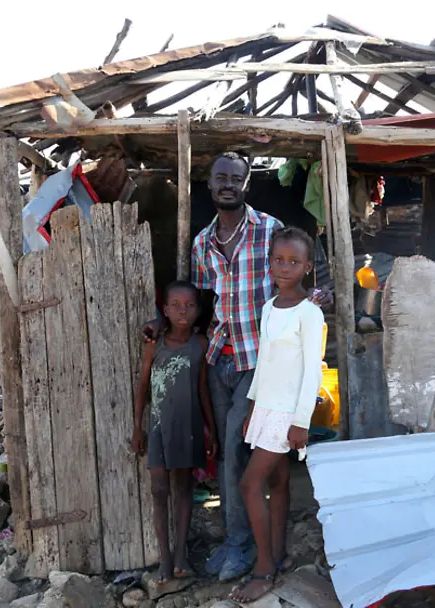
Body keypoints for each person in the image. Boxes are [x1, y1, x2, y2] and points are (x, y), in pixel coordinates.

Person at [142, 152, 332, 581]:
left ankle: (240, 549)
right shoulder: (202, 242)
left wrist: (317, 298)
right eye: (220, 178)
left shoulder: (268, 232)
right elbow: (201, 299)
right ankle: (273, 548)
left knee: (233, 455)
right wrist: (163, 320)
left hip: (257, 362)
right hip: (219, 359)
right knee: (253, 460)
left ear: (247, 184)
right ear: (209, 186)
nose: (227, 185)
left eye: (236, 179)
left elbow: (304, 276)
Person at [231, 226, 325, 602]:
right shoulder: (270, 307)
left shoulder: (309, 313)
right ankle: (280, 554)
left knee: (248, 484)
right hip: (265, 406)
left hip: (288, 412)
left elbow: (313, 370)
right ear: (269, 263)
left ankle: (264, 569)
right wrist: (252, 405)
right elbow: (265, 362)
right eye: (278, 260)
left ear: (307, 267)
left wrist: (301, 420)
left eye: (294, 261)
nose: (284, 267)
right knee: (276, 484)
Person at [133, 281, 219, 583]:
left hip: (189, 427)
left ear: (198, 310)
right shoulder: (153, 345)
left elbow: (203, 389)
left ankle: (181, 554)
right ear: (165, 311)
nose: (183, 311)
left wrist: (211, 432)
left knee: (183, 489)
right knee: (159, 491)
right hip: (158, 427)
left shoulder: (200, 345)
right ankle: (165, 559)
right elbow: (143, 386)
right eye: (176, 306)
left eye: (190, 305)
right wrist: (137, 429)